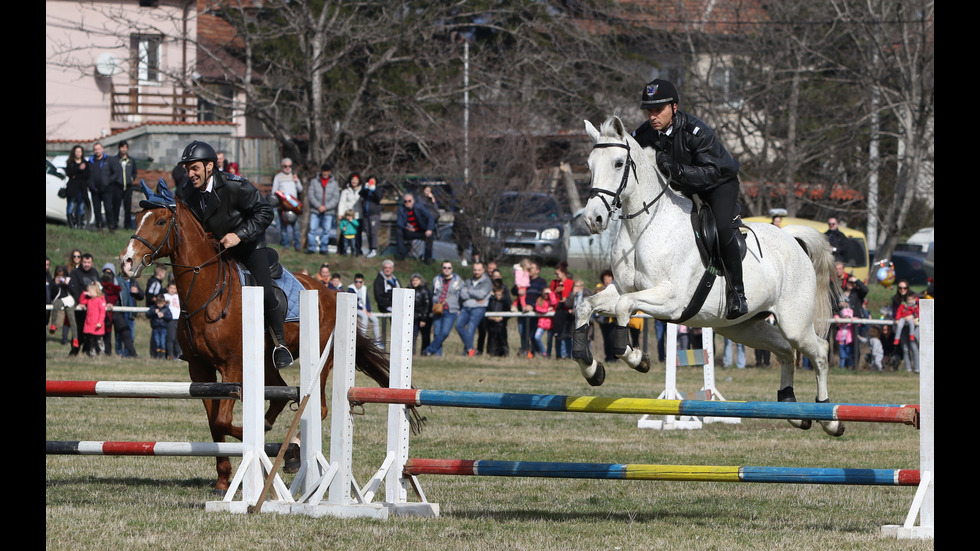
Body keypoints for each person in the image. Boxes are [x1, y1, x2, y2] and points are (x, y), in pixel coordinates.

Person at [631, 79, 746, 318]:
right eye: (649, 111)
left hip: (717, 185)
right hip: (681, 188)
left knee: (723, 228)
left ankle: (737, 293)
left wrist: (678, 169)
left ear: (673, 107)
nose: (653, 116)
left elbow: (712, 171)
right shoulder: (644, 133)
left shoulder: (696, 131)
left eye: (658, 110)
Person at [176, 140, 291, 367]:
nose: (190, 174)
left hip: (249, 246)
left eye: (194, 168)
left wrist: (239, 235)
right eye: (187, 169)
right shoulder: (187, 191)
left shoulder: (234, 185)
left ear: (210, 166)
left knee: (264, 291)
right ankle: (196, 343)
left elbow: (265, 211)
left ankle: (280, 344)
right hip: (216, 250)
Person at [422, 262, 462, 357]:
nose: (447, 269)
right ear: (441, 268)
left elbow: (462, 295)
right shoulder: (436, 279)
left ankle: (429, 350)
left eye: (449, 267)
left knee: (444, 332)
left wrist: (460, 307)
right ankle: (437, 355)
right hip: (438, 309)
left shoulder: (458, 280)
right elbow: (433, 293)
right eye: (444, 267)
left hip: (451, 310)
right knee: (437, 332)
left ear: (452, 269)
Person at [67, 253, 102, 356]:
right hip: (80, 307)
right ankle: (74, 351)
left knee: (91, 331)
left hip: (93, 308)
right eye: (85, 262)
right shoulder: (75, 273)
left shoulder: (94, 272)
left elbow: (100, 289)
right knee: (78, 330)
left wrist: (105, 301)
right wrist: (80, 302)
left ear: (92, 262)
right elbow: (74, 289)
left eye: (89, 262)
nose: (86, 264)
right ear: (81, 262)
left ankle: (88, 350)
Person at [456, 261, 492, 357]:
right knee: (459, 326)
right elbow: (463, 294)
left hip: (479, 308)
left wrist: (469, 292)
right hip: (467, 306)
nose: (476, 272)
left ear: (483, 270)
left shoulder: (487, 282)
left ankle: (468, 351)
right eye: (475, 270)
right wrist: (475, 296)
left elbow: (482, 294)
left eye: (479, 270)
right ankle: (470, 348)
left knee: (471, 329)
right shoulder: (468, 281)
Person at [306, 163, 340, 255]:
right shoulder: (314, 181)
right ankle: (312, 247)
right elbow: (311, 195)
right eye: (324, 171)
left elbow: (335, 198)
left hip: (329, 211)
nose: (325, 173)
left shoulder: (334, 183)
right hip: (315, 210)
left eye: (327, 171)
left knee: (326, 230)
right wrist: (318, 206)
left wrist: (326, 207)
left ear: (330, 172)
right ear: (321, 171)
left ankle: (324, 248)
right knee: (312, 229)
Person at [271, 157, 303, 251]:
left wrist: (296, 181)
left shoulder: (294, 176)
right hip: (283, 206)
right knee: (283, 227)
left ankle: (297, 246)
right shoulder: (278, 177)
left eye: (289, 166)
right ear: (282, 166)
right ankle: (286, 245)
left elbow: (300, 189)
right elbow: (274, 191)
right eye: (285, 166)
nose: (288, 168)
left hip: (294, 206)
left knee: (296, 227)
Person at [89, 142, 122, 231]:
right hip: (95, 189)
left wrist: (108, 181)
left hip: (107, 189)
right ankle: (99, 226)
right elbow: (88, 175)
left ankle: (111, 226)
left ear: (102, 149)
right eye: (95, 149)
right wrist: (91, 185)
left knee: (108, 208)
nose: (97, 151)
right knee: (97, 209)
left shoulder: (109, 160)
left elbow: (116, 173)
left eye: (99, 149)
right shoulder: (91, 161)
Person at [395, 192, 436, 263]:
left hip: (420, 231)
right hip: (408, 232)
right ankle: (401, 255)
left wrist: (429, 229)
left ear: (413, 201)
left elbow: (430, 217)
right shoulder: (401, 209)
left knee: (430, 236)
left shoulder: (419, 207)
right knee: (399, 231)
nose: (407, 203)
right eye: (405, 201)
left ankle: (427, 258)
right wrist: (407, 228)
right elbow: (399, 222)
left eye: (409, 201)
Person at [348, 273, 383, 347]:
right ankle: (362, 337)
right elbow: (353, 301)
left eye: (360, 282)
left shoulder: (364, 288)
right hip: (355, 308)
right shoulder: (351, 288)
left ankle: (377, 341)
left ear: (363, 282)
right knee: (364, 317)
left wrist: (368, 310)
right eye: (356, 282)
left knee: (375, 320)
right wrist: (362, 309)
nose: (358, 283)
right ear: (354, 282)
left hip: (364, 309)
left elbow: (367, 300)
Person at [549, 261, 575, 359]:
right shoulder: (554, 283)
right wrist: (556, 291)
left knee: (568, 333)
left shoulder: (570, 283)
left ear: (563, 273)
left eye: (558, 274)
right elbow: (551, 295)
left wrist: (567, 300)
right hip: (559, 309)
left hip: (568, 309)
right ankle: (559, 355)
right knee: (558, 334)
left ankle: (568, 354)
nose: (556, 276)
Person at [64, 145, 90, 229]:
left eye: (80, 151)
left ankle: (79, 224)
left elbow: (87, 175)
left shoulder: (85, 163)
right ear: (74, 152)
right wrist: (79, 169)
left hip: (82, 188)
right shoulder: (70, 162)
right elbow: (69, 173)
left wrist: (76, 175)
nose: (78, 153)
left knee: (80, 205)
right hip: (72, 188)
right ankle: (71, 224)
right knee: (70, 204)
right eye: (76, 151)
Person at [337, 173, 364, 256]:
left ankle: (357, 251)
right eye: (352, 179)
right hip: (347, 214)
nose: (354, 181)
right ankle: (341, 250)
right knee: (344, 232)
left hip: (358, 215)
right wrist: (340, 213)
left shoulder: (362, 190)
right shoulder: (345, 191)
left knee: (358, 234)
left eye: (356, 179)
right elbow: (342, 202)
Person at [78, 281, 107, 356]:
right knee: (91, 340)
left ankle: (101, 353)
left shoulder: (100, 300)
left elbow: (102, 312)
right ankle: (92, 353)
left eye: (89, 291)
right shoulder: (89, 300)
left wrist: (100, 322)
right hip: (90, 324)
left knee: (99, 340)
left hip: (97, 325)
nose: (88, 293)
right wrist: (83, 294)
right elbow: (82, 301)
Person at [115, 141, 139, 230]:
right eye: (122, 147)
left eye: (125, 147)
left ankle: (127, 226)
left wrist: (131, 179)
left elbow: (134, 172)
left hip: (128, 186)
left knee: (128, 207)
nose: (123, 149)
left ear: (127, 149)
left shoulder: (131, 160)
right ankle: (115, 224)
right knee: (116, 206)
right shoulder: (115, 160)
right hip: (117, 186)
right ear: (119, 148)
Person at [594, 269, 617, 362]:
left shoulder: (616, 289)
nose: (607, 280)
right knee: (606, 339)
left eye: (609, 278)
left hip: (613, 319)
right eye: (605, 279)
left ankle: (613, 358)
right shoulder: (599, 289)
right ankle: (607, 357)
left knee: (613, 339)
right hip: (603, 319)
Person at [48, 265, 74, 346]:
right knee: (55, 309)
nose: (60, 274)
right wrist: (55, 284)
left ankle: (74, 339)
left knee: (71, 320)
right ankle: (53, 325)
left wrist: (66, 284)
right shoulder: (52, 281)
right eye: (58, 272)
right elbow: (52, 295)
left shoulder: (68, 280)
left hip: (68, 301)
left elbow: (72, 290)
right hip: (58, 301)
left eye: (61, 272)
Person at [359, 175, 384, 258]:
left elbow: (378, 198)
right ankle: (370, 249)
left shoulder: (378, 189)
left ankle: (374, 249)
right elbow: (360, 194)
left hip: (374, 214)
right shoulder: (366, 190)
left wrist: (373, 190)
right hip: (366, 214)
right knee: (367, 232)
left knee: (373, 232)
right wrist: (365, 188)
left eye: (373, 181)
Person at [485, 280, 510, 357]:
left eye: (499, 295)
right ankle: (492, 353)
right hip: (492, 324)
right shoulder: (491, 301)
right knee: (492, 339)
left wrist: (502, 318)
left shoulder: (505, 302)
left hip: (501, 324)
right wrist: (491, 318)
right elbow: (488, 311)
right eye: (497, 294)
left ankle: (504, 353)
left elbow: (508, 312)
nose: (498, 296)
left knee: (502, 339)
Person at [409, 273, 433, 355]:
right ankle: (411, 352)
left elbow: (427, 305)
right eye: (413, 280)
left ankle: (425, 352)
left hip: (423, 317)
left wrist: (423, 319)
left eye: (416, 280)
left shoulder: (424, 290)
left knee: (425, 335)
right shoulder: (409, 289)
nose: (414, 282)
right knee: (412, 335)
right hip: (413, 316)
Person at [533, 287, 558, 358]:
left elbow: (554, 303)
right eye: (545, 293)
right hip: (542, 323)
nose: (546, 294)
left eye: (548, 293)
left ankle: (548, 355)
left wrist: (551, 294)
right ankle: (543, 352)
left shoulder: (552, 300)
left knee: (549, 341)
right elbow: (538, 309)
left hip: (551, 323)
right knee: (537, 337)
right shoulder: (539, 300)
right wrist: (547, 309)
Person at [146, 293, 173, 359]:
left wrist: (163, 316)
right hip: (155, 328)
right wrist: (154, 312)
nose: (160, 305)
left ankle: (163, 356)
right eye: (158, 303)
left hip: (164, 328)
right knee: (157, 342)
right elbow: (148, 314)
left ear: (164, 303)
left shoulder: (166, 309)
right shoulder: (153, 308)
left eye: (161, 303)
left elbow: (170, 317)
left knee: (163, 342)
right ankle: (157, 355)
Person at [163, 282, 182, 360]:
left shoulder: (178, 296)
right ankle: (170, 355)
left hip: (179, 319)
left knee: (178, 339)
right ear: (167, 288)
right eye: (171, 288)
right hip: (171, 319)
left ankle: (178, 354)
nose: (172, 290)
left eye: (174, 288)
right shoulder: (165, 296)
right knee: (171, 338)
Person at [833, 302, 855, 368]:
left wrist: (853, 319)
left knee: (849, 354)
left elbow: (858, 322)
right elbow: (835, 317)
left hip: (849, 341)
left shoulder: (851, 324)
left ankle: (849, 366)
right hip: (841, 341)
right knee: (842, 355)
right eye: (845, 317)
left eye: (848, 317)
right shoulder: (841, 324)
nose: (846, 319)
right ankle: (841, 367)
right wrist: (837, 317)